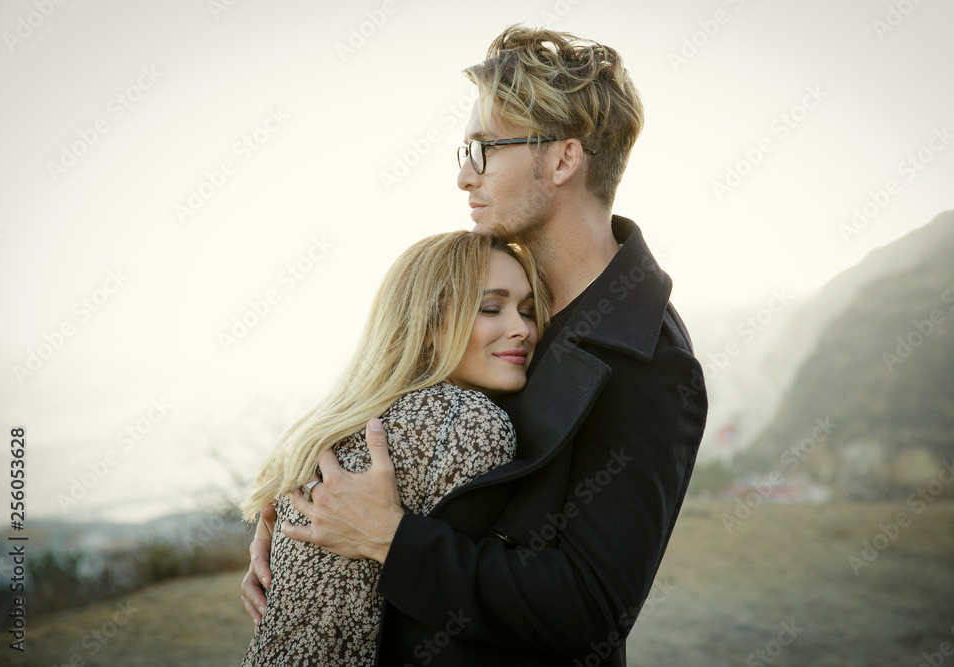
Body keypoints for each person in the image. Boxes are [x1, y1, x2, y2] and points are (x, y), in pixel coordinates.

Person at [242, 25, 708, 666]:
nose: (465, 176)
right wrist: (296, 533)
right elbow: (391, 408)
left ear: (563, 160)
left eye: (485, 148)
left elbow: (589, 607)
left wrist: (388, 540)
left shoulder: (651, 365)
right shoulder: (500, 292)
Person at [239, 230, 550, 666]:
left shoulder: (341, 425)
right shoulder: (470, 421)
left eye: (528, 311)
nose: (522, 329)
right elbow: (487, 607)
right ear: (428, 325)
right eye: (491, 308)